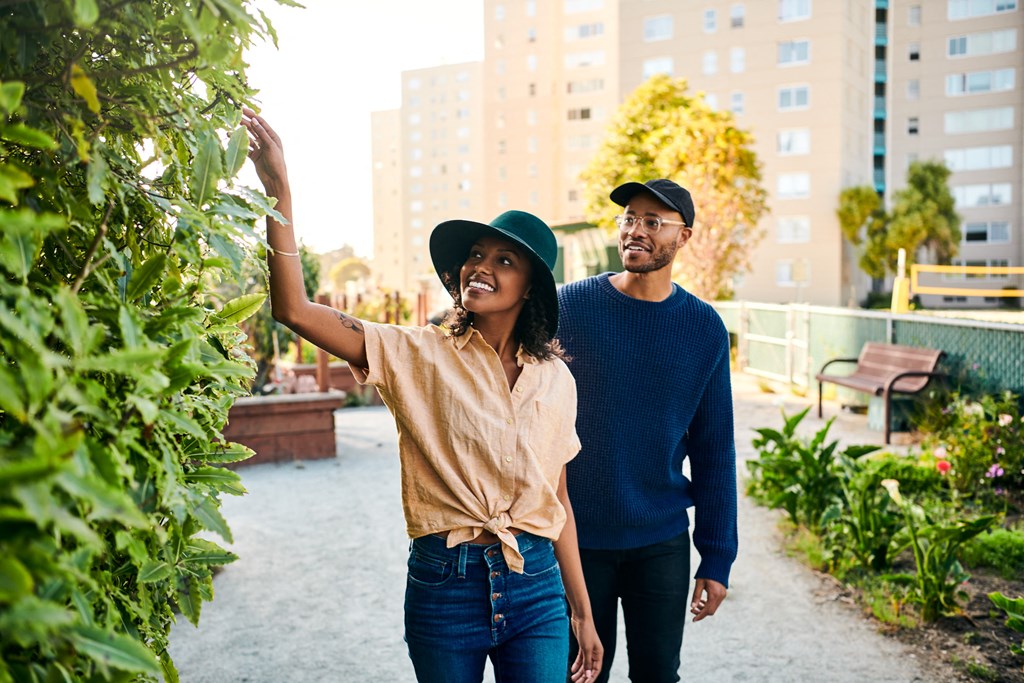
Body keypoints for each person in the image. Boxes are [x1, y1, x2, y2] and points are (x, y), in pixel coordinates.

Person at [241, 108, 602, 683]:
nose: (479, 268)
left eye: (503, 260)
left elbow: (556, 500)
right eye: (476, 256)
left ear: (530, 287)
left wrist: (582, 613)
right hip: (446, 585)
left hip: (536, 587)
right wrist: (280, 191)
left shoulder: (555, 380)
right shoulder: (418, 352)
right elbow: (294, 310)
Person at [556, 179, 738, 683]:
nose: (636, 231)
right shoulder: (566, 308)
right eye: (629, 219)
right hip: (576, 539)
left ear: (685, 238)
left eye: (653, 222)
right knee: (581, 675)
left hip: (659, 539)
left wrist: (718, 555)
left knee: (658, 674)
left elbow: (714, 449)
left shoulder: (704, 328)